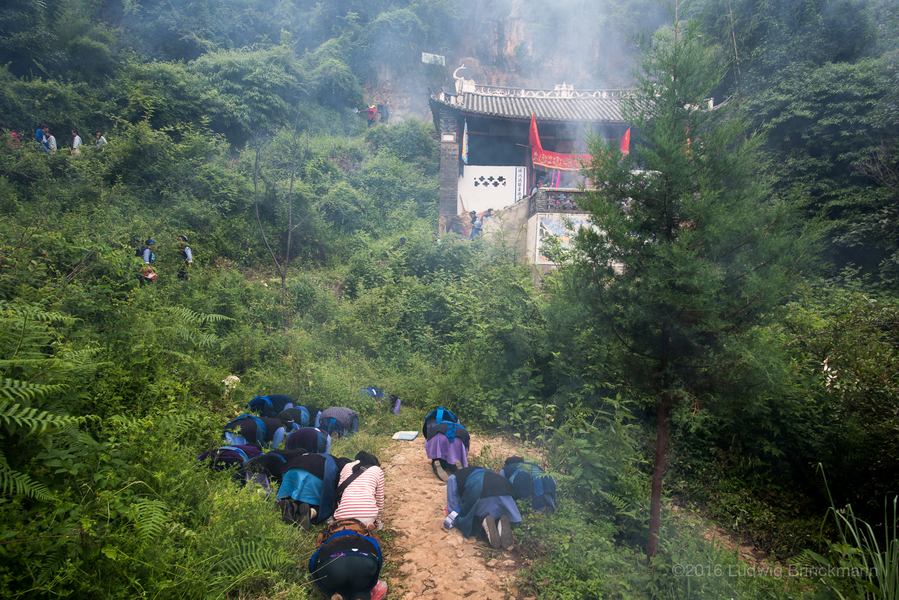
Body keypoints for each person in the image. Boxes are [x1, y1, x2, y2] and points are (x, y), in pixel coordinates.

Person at [444, 466, 521, 550]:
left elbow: (452, 503)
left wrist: (455, 512)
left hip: (480, 486)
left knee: (467, 518)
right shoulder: (487, 470)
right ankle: (499, 522)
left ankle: (483, 523)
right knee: (497, 509)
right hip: (504, 486)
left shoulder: (454, 477)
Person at [309, 519, 387, 600]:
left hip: (331, 562)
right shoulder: (366, 538)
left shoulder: (329, 538)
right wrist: (372, 579)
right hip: (364, 561)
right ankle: (360, 597)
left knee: (335, 585)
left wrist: (317, 578)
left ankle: (336, 594)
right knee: (362, 587)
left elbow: (313, 560)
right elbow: (377, 553)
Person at [277, 452, 349, 530]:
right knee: (325, 504)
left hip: (292, 469)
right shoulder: (343, 467)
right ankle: (311, 512)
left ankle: (292, 507)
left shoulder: (322, 455)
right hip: (314, 475)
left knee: (302, 498)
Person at [332, 451, 385, 530]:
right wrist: (377, 522)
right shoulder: (377, 470)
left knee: (333, 520)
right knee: (368, 520)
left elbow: (340, 494)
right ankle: (367, 526)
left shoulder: (346, 466)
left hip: (344, 515)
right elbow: (380, 501)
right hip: (368, 515)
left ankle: (345, 524)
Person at [423, 407, 469, 481]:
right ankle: (455, 465)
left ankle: (437, 464)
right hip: (460, 435)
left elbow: (427, 437)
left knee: (438, 455)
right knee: (453, 457)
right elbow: (466, 446)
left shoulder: (430, 419)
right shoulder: (455, 420)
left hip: (437, 434)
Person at [224, 414, 288, 449]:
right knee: (237, 452)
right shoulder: (281, 428)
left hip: (234, 426)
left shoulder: (268, 420)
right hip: (249, 431)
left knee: (226, 450)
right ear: (284, 425)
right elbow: (274, 447)